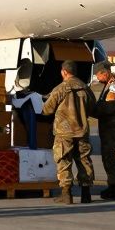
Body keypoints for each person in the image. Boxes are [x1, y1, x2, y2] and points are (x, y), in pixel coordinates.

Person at [41, 60, 96, 204]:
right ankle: (86, 194)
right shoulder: (85, 88)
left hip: (64, 133)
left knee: (64, 161)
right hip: (82, 131)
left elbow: (47, 110)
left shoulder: (60, 89)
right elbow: (93, 108)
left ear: (64, 72)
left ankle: (66, 194)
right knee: (84, 161)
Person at [92, 61, 115, 200]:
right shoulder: (109, 85)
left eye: (98, 74)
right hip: (109, 130)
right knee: (108, 158)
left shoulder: (114, 87)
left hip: (114, 130)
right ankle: (113, 186)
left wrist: (91, 109)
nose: (97, 77)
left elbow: (108, 108)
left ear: (104, 73)